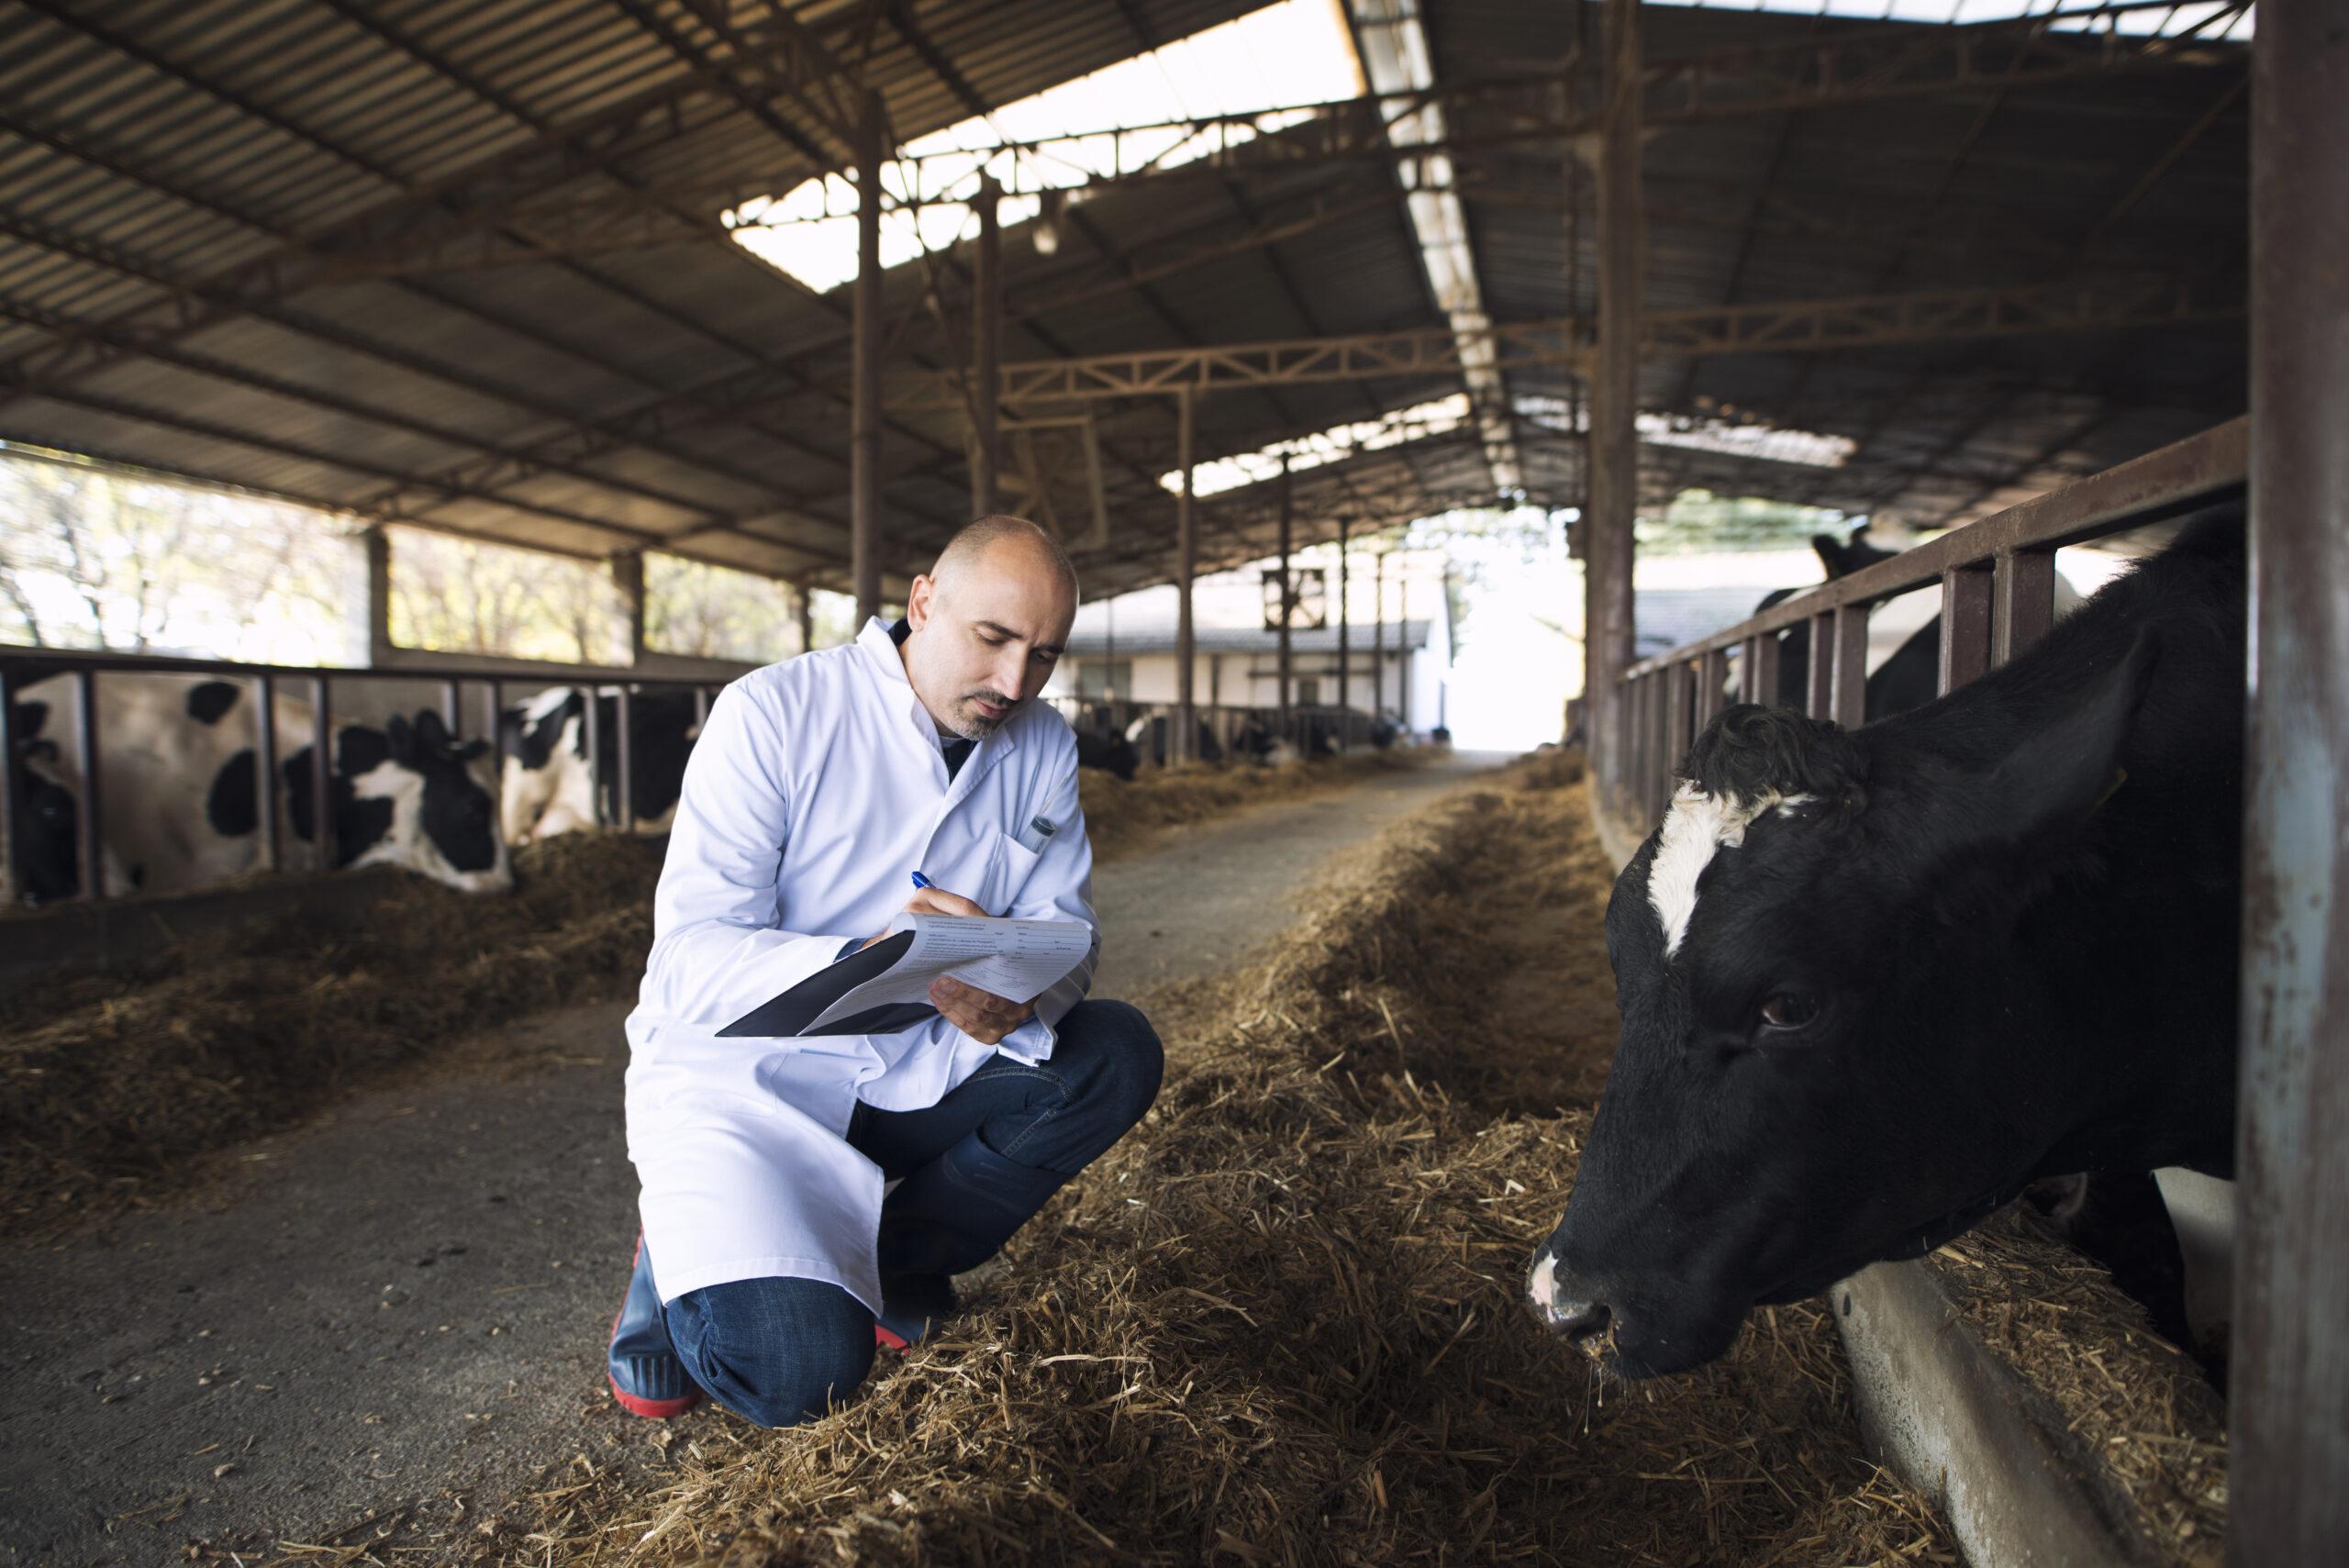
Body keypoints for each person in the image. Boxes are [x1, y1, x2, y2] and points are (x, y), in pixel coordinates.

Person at [606, 516, 1163, 1426]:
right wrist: (855, 959)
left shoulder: (1044, 745)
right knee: (799, 1374)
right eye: (992, 638)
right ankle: (676, 1252)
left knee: (1114, 1051)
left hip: (919, 1064)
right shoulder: (774, 712)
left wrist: (1019, 992)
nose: (1014, 681)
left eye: (1044, 654)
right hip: (753, 1081)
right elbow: (689, 956)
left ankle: (894, 1261)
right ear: (923, 601)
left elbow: (1071, 930)